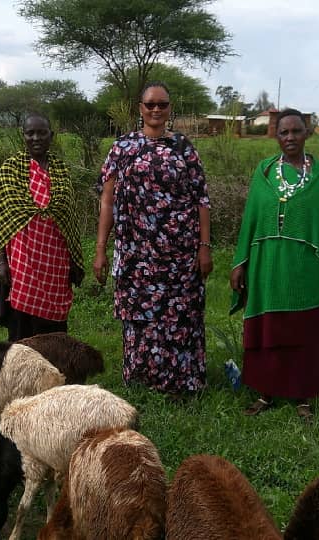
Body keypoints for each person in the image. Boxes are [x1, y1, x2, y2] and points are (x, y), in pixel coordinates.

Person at [94, 81, 213, 400]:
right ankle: (142, 376)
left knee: (180, 313)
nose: (156, 110)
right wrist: (101, 249)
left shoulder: (184, 148)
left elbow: (202, 199)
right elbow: (107, 201)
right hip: (136, 253)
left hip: (179, 253)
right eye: (150, 105)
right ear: (140, 109)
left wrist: (204, 247)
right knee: (140, 315)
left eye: (162, 104)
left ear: (170, 108)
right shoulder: (123, 147)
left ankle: (181, 380)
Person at [229, 108, 319, 422]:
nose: (290, 137)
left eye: (296, 131)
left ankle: (302, 397)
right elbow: (251, 221)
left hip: (304, 268)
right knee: (268, 327)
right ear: (276, 136)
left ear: (307, 133)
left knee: (301, 330)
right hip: (266, 264)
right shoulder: (265, 172)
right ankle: (265, 392)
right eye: (284, 132)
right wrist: (240, 262)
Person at [0, 112, 85, 341]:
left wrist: (74, 260)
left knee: (54, 332)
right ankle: (22, 374)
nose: (36, 138)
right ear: (23, 136)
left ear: (52, 136)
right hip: (21, 263)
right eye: (30, 133)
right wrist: (0, 262)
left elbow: (69, 220)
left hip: (55, 263)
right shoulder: (11, 169)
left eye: (42, 132)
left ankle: (55, 374)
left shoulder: (60, 171)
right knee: (22, 330)